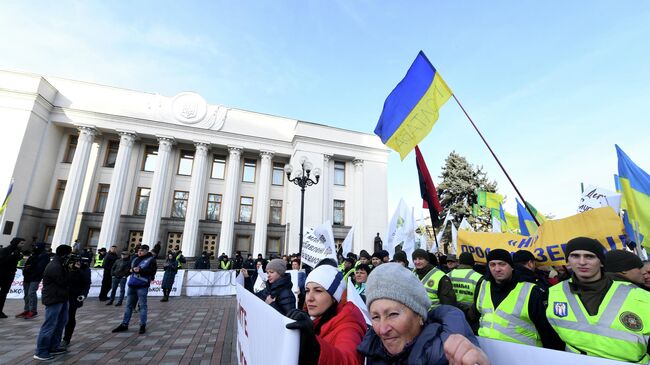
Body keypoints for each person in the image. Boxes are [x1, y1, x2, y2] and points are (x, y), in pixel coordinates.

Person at [357, 263, 489, 365]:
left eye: (392, 314)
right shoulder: (370, 351)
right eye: (375, 317)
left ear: (419, 315)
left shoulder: (449, 356)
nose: (382, 329)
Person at [546, 237, 650, 363]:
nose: (582, 262)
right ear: (568, 260)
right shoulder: (554, 293)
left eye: (590, 256)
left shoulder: (641, 296)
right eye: (575, 256)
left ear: (601, 262)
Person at [471, 249, 563, 349]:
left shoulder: (531, 291)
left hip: (523, 355)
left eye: (502, 264)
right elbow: (477, 316)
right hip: (487, 351)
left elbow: (547, 332)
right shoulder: (482, 286)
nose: (497, 269)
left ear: (512, 267)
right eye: (492, 265)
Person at [285, 260, 367, 365]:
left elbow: (350, 361)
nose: (309, 298)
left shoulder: (349, 324)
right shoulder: (314, 318)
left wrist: (315, 349)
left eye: (318, 291)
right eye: (307, 291)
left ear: (334, 297)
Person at [33, 244, 72, 361]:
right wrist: (71, 270)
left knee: (61, 322)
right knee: (49, 324)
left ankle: (54, 346)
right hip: (54, 298)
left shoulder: (60, 264)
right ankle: (41, 351)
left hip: (62, 297)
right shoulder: (55, 266)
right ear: (64, 254)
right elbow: (63, 281)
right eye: (69, 254)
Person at [112, 244, 157, 335]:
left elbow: (152, 272)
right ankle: (124, 324)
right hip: (132, 284)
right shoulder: (134, 258)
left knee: (143, 306)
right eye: (139, 250)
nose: (139, 252)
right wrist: (130, 270)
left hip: (142, 286)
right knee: (129, 305)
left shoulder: (151, 260)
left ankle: (142, 325)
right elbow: (128, 268)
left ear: (146, 251)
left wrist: (140, 270)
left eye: (142, 251)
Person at [61, 254, 91, 348]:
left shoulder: (85, 269)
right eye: (75, 260)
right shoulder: (67, 267)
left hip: (75, 296)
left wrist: (83, 295)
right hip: (63, 295)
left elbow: (86, 283)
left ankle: (66, 338)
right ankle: (56, 337)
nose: (77, 262)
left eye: (79, 260)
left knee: (70, 317)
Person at [19, 241, 49, 319]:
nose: (34, 248)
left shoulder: (44, 255)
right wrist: (26, 270)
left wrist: (30, 267)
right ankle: (27, 310)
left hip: (35, 277)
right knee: (26, 294)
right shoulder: (34, 254)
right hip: (27, 277)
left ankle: (33, 310)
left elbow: (40, 268)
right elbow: (27, 265)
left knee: (31, 293)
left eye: (36, 246)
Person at [0, 237, 26, 319]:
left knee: (3, 294)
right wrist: (15, 256)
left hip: (9, 275)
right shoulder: (4, 250)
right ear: (16, 243)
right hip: (1, 274)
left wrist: (18, 257)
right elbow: (2, 260)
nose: (22, 245)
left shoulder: (18, 252)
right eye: (21, 243)